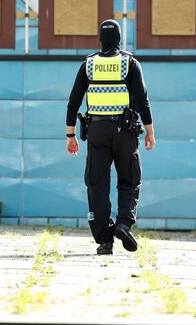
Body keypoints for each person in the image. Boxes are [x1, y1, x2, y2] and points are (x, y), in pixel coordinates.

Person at [66, 19, 155, 255]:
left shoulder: (89, 64)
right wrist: (150, 131)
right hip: (124, 132)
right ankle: (124, 224)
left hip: (96, 131)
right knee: (129, 179)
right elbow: (143, 100)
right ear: (119, 39)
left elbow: (74, 101)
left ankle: (105, 240)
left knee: (98, 185)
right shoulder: (129, 63)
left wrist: (70, 134)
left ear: (100, 39)